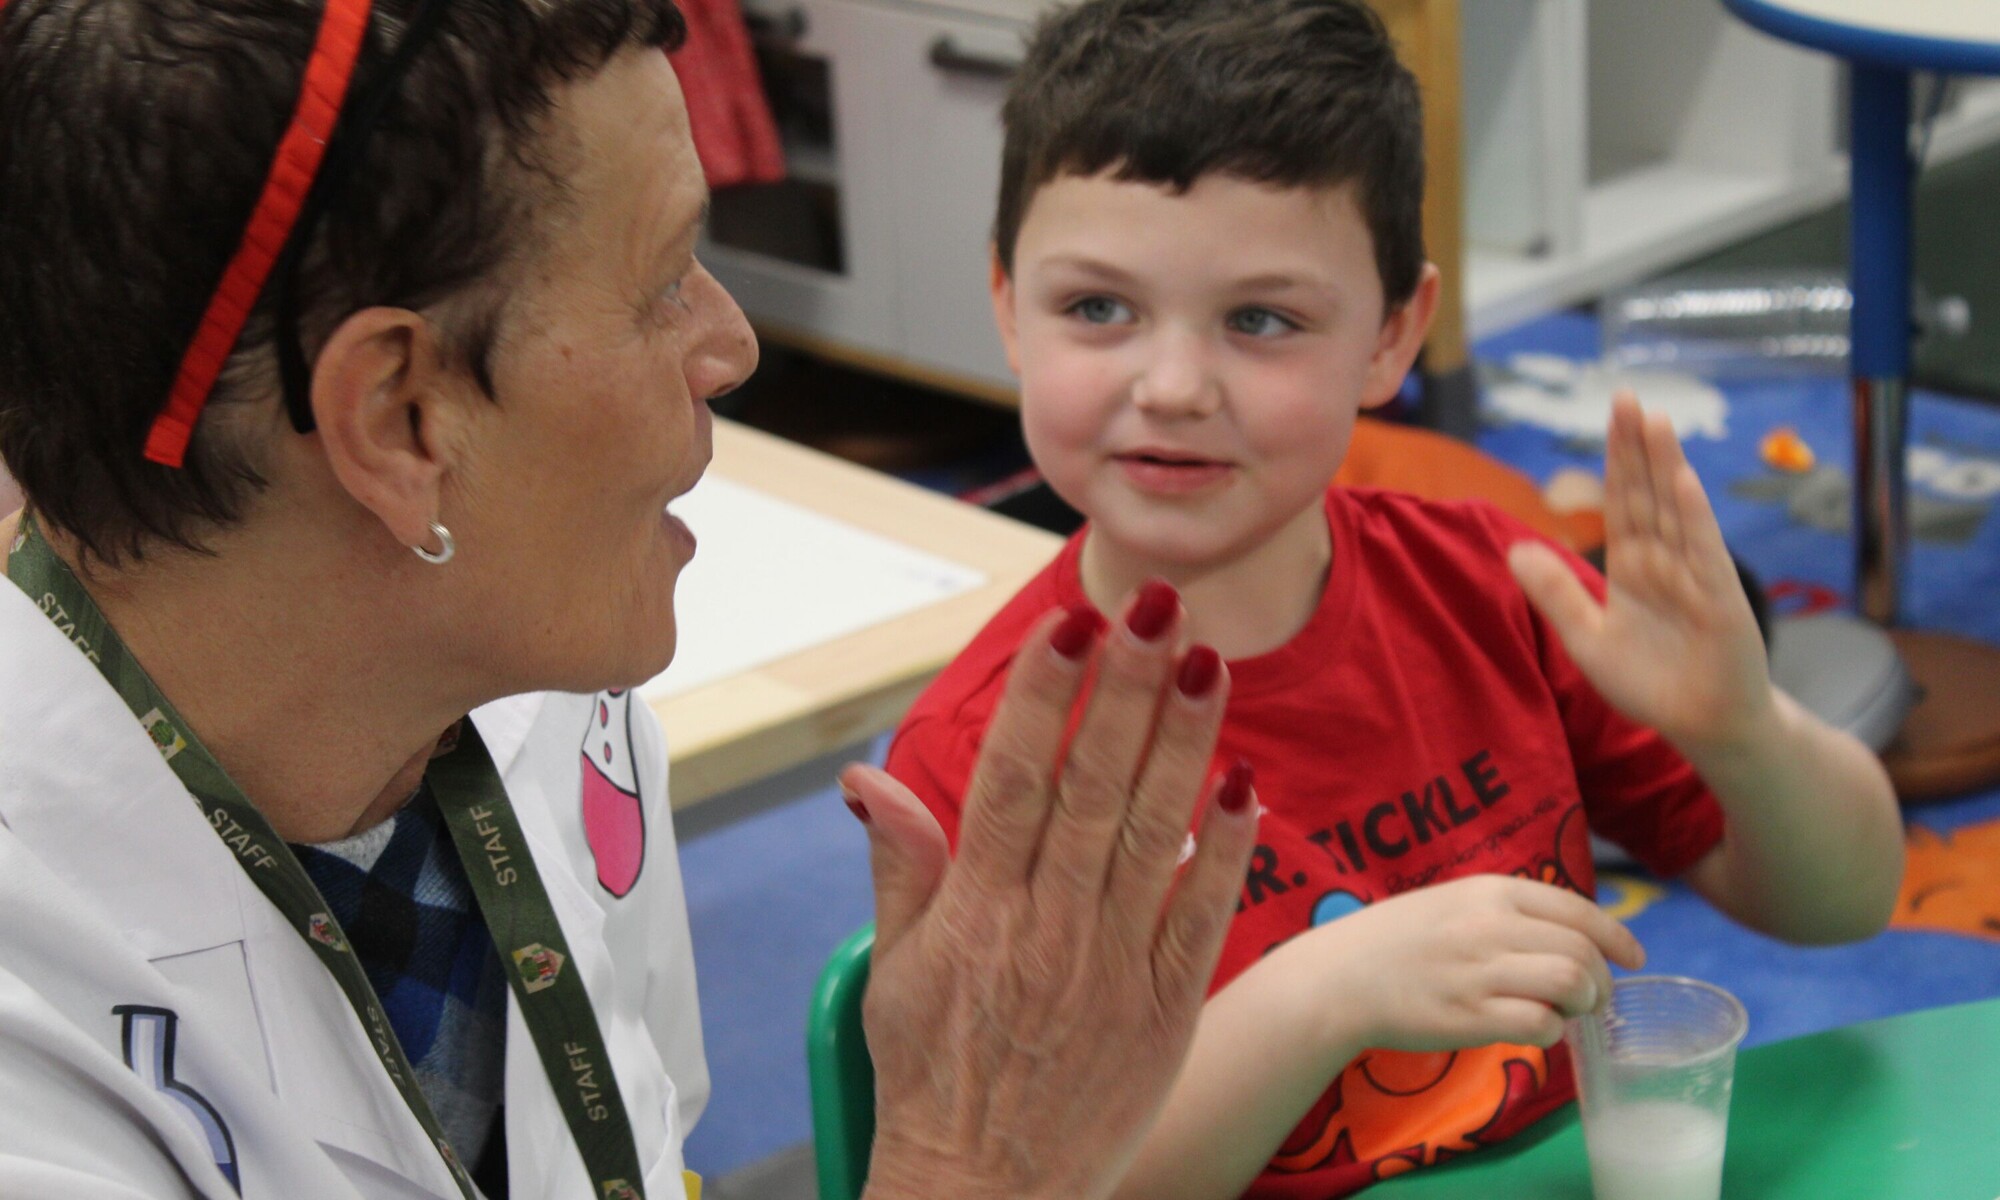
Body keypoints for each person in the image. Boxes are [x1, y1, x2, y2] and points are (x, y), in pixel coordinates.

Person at [0, 2, 1259, 1198]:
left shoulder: (549, 709)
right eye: (665, 279)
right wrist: (972, 1170)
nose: (730, 344)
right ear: (399, 419)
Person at [883, 1, 1907, 1197]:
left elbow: (1844, 903)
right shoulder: (986, 761)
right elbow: (1045, 1182)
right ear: (1008, 305)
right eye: (1096, 308)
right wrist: (1327, 993)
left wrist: (1747, 732)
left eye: (1260, 319)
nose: (1169, 386)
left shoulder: (1491, 587)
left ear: (1390, 337)